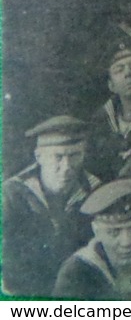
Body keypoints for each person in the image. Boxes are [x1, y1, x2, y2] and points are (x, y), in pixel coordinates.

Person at [2, 116, 102, 297]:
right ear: (39, 157)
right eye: (58, 157)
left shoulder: (97, 192)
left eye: (75, 155)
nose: (67, 167)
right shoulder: (11, 195)